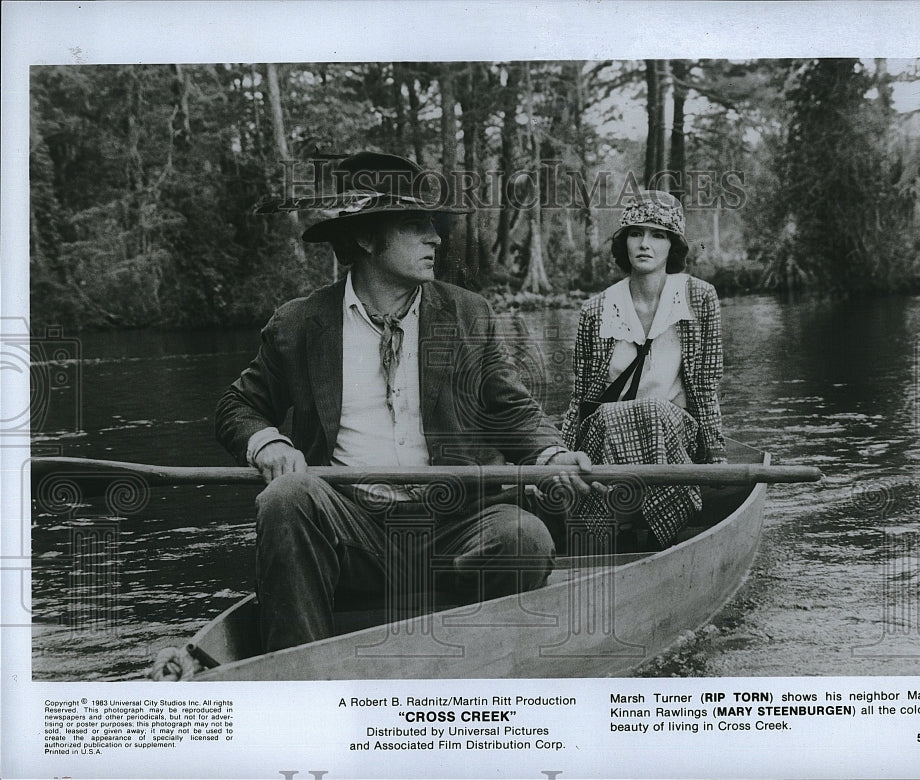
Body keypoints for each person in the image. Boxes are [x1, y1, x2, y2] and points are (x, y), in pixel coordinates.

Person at [215, 151, 594, 653]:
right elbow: (238, 406)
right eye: (417, 225)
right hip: (353, 529)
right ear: (367, 238)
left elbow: (510, 408)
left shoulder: (466, 313)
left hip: (457, 524)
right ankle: (298, 674)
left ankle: (485, 660)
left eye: (434, 225)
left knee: (524, 538)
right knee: (286, 499)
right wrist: (267, 442)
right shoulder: (300, 324)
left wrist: (550, 454)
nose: (436, 238)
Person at [561, 189, 725, 551]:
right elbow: (581, 395)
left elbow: (706, 382)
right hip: (605, 435)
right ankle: (611, 531)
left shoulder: (700, 298)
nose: (645, 244)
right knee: (618, 414)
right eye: (636, 233)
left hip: (675, 435)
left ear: (673, 246)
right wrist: (560, 455)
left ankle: (659, 530)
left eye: (658, 234)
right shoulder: (596, 309)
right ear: (624, 243)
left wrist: (716, 455)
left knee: (654, 411)